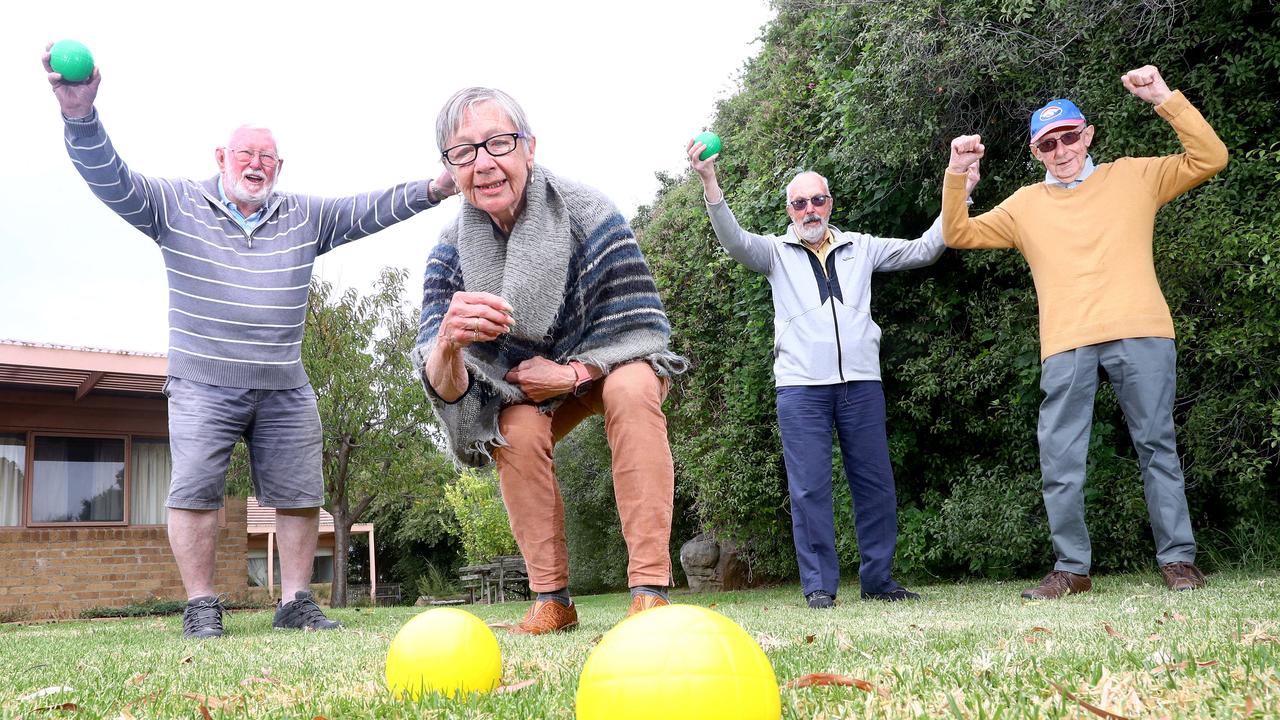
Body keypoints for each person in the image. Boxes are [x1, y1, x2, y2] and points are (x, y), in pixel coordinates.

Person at [43, 46, 458, 638]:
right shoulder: (175, 204)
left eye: (267, 157)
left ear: (279, 167)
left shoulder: (304, 216)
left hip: (284, 385)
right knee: (194, 492)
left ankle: (294, 603)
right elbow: (111, 180)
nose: (257, 164)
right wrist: (80, 115)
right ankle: (203, 605)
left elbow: (367, 209)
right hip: (203, 383)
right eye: (246, 154)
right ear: (221, 158)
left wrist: (435, 188)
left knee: (297, 495)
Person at [943, 65, 1228, 600]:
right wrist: (959, 174)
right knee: (1061, 458)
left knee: (1157, 446)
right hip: (1066, 342)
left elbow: (1211, 158)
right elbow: (957, 232)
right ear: (1036, 153)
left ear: (1087, 134)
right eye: (1048, 143)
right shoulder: (1025, 205)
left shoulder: (1134, 176)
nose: (1061, 149)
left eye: (1069, 136)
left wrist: (1164, 98)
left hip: (1141, 329)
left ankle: (1178, 561)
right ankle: (1071, 570)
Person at [412, 87, 687, 634]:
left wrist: (572, 373)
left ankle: (650, 593)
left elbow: (640, 330)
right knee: (511, 428)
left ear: (528, 149)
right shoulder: (449, 251)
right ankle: (552, 601)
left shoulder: (590, 212)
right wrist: (447, 344)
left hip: (607, 364)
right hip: (524, 393)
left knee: (632, 389)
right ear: (451, 168)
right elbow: (447, 389)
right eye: (463, 152)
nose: (483, 163)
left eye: (498, 142)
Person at [687, 141, 979, 608]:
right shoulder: (775, 253)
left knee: (876, 484)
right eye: (799, 203)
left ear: (830, 203)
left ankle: (879, 582)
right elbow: (733, 240)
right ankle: (820, 588)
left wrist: (960, 194)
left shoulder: (861, 247)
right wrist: (709, 182)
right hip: (801, 389)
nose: (809, 210)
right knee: (809, 490)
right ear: (789, 210)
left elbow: (925, 249)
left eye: (817, 200)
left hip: (861, 384)